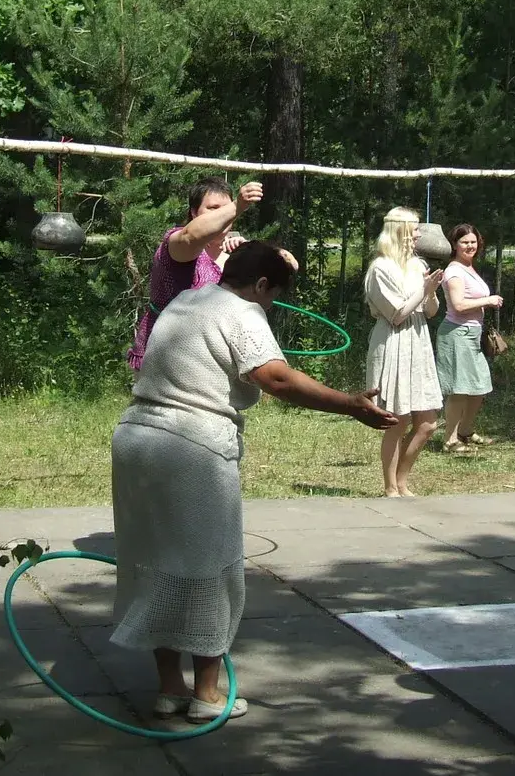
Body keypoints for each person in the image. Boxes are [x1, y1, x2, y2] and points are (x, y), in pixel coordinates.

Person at [110, 241, 397, 723]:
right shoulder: (242, 312)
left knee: (155, 563)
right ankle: (206, 695)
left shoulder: (188, 299)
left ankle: (168, 688)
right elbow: (276, 378)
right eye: (273, 296)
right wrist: (350, 404)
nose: (270, 306)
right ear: (261, 285)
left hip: (137, 439)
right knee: (210, 570)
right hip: (192, 448)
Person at [127, 178, 260, 372]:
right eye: (213, 208)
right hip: (165, 353)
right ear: (193, 212)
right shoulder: (177, 241)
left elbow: (289, 265)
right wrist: (237, 204)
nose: (222, 215)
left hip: (208, 357)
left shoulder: (233, 255)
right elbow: (192, 236)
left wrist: (249, 253)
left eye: (226, 209)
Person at [364, 207, 445, 497]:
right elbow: (396, 314)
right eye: (415, 228)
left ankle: (402, 479)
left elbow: (430, 312)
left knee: (428, 423)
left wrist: (432, 291)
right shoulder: (380, 269)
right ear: (400, 231)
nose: (420, 234)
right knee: (398, 421)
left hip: (418, 341)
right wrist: (423, 290)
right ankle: (390, 487)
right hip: (394, 342)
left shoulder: (417, 264)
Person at [435, 224, 504, 453]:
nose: (470, 246)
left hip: (473, 335)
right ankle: (450, 440)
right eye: (464, 242)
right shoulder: (454, 271)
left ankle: (465, 431)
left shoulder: (469, 268)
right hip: (457, 334)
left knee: (480, 385)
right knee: (459, 389)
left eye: (473, 242)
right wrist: (489, 300)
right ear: (455, 245)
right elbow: (458, 305)